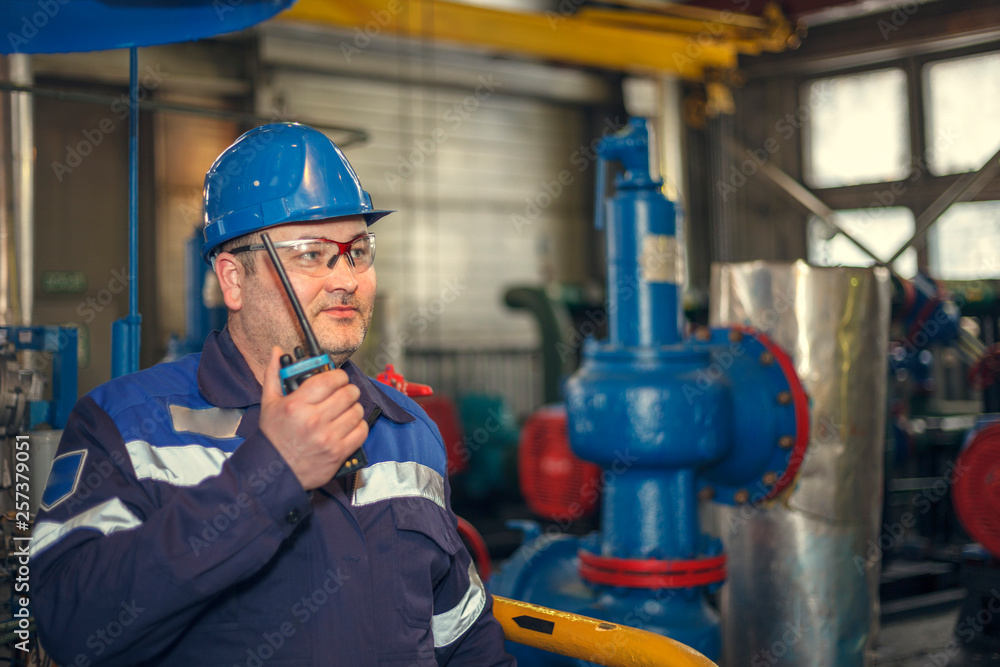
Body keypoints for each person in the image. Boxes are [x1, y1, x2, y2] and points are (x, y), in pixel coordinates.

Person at [30, 123, 516, 666]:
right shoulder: (125, 425)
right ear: (233, 280)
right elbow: (70, 624)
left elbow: (463, 635)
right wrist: (272, 475)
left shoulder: (407, 431)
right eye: (311, 254)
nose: (346, 278)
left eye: (358, 251)